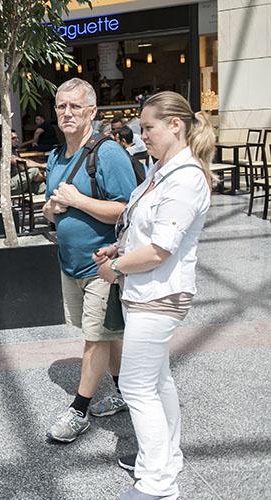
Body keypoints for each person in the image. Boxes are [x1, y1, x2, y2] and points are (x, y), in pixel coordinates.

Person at [94, 92, 215, 500]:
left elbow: (161, 249)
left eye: (148, 127)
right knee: (157, 380)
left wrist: (117, 267)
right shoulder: (161, 169)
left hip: (159, 295)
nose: (141, 135)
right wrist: (119, 248)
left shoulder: (185, 178)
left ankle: (158, 484)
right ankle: (164, 458)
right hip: (147, 291)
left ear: (175, 125)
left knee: (136, 386)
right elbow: (144, 228)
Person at [42, 78, 138, 443]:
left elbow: (128, 209)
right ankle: (125, 391)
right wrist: (52, 208)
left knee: (96, 337)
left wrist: (78, 200)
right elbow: (51, 208)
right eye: (61, 106)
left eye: (75, 106)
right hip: (69, 263)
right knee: (107, 333)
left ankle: (78, 410)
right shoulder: (55, 157)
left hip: (102, 265)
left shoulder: (108, 153)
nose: (67, 112)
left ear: (92, 111)